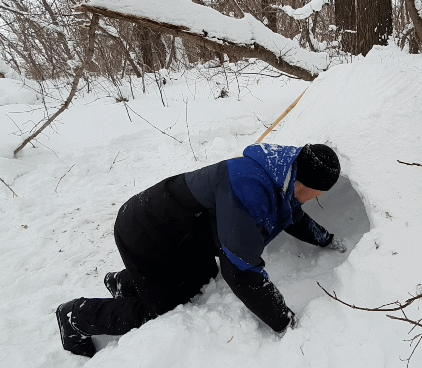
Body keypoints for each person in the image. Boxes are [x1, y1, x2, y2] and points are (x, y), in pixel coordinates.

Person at [56, 143, 346, 357]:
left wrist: (326, 239)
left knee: (202, 278)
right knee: (161, 311)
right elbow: (241, 272)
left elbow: (291, 215)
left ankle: (124, 283)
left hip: (180, 234)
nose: (317, 198)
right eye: (318, 193)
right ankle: (76, 317)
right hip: (146, 232)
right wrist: (285, 322)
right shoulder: (249, 189)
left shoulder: (282, 173)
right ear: (302, 184)